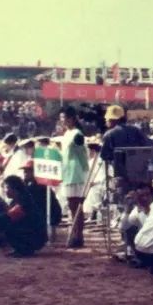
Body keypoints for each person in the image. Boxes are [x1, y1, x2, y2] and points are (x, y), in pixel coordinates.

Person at [0, 175, 47, 257]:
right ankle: (19, 249)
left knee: (7, 225)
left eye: (7, 188)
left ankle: (24, 250)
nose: (5, 191)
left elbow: (7, 217)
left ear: (15, 189)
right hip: (32, 233)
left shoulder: (24, 201)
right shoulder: (17, 200)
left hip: (36, 236)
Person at [59, 106, 91, 248]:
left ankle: (79, 235)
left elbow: (82, 152)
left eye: (64, 117)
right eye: (61, 118)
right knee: (72, 206)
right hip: (67, 172)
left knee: (77, 205)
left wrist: (85, 171)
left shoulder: (77, 134)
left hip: (76, 171)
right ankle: (75, 234)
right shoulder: (66, 134)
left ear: (71, 118)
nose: (62, 120)